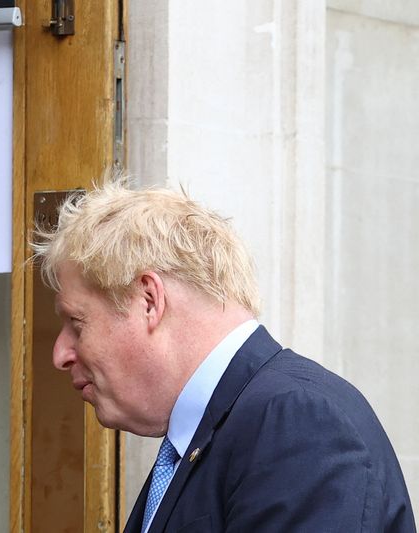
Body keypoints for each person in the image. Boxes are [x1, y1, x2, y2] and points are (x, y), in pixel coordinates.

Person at [33, 180, 415, 532]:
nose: (60, 353)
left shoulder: (298, 422)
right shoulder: (224, 430)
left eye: (77, 323)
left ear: (149, 299)